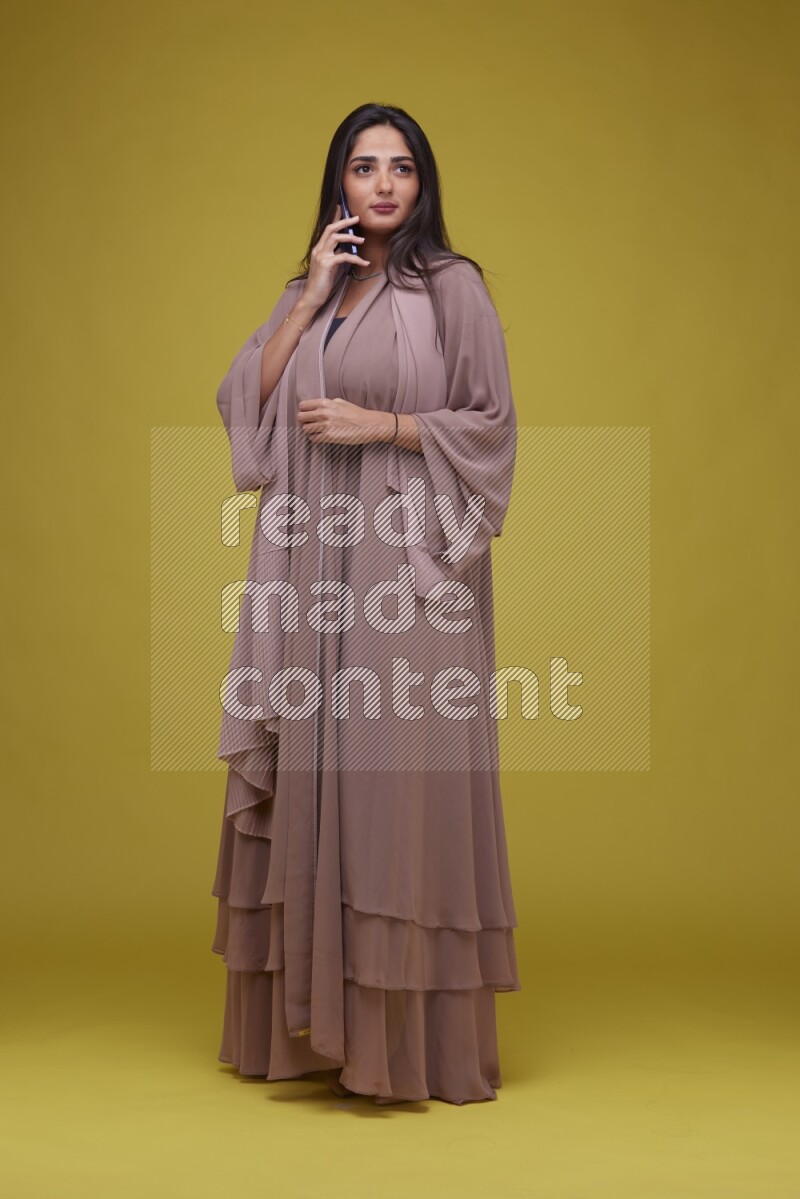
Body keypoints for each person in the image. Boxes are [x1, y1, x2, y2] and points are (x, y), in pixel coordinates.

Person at [211, 102, 521, 1106]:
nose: (381, 185)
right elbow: (246, 407)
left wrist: (377, 423)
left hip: (406, 573)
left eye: (399, 168)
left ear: (422, 184)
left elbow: (489, 425)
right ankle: (308, 1037)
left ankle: (405, 1047)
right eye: (360, 167)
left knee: (394, 795)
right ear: (337, 186)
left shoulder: (453, 290)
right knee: (316, 775)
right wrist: (306, 296)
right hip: (309, 572)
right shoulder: (315, 290)